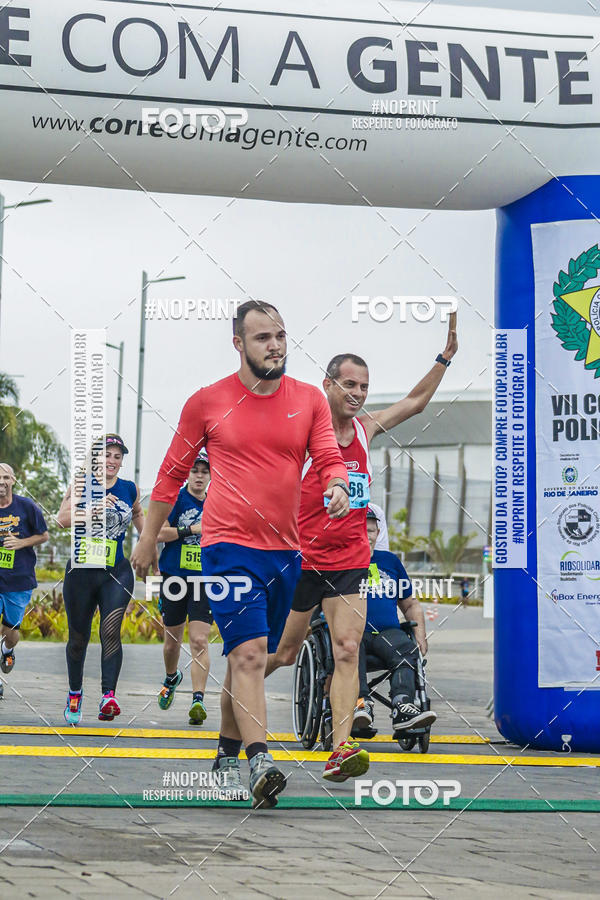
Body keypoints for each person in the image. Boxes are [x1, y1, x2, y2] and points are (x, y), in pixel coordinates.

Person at [131, 300, 350, 809]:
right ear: (238, 344)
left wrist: (337, 484)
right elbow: (170, 474)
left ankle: (227, 753)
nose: (275, 345)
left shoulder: (309, 400)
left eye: (280, 335)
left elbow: (328, 456)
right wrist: (147, 539)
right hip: (227, 547)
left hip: (286, 551)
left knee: (251, 656)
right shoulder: (208, 402)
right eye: (262, 337)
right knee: (248, 653)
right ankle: (261, 761)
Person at [266, 315, 456, 779]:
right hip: (303, 561)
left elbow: (414, 403)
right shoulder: (303, 437)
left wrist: (444, 359)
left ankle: (341, 749)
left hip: (350, 561)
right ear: (328, 385)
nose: (357, 393)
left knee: (347, 649)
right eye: (349, 384)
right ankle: (240, 681)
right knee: (285, 653)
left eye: (364, 386)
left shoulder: (366, 431)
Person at [56, 434, 144, 724]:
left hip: (115, 572)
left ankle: (109, 696)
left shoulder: (129, 488)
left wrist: (148, 544)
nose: (112, 461)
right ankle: (75, 693)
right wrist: (95, 508)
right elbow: (62, 519)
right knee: (78, 638)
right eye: (107, 455)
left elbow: (138, 514)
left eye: (117, 456)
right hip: (80, 573)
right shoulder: (81, 484)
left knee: (110, 631)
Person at [355, 507, 436, 734]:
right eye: (362, 529)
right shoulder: (342, 560)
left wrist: (421, 636)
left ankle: (403, 705)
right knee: (349, 648)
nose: (368, 535)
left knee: (406, 648)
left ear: (378, 533)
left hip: (386, 633)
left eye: (372, 530)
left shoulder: (390, 561)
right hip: (354, 631)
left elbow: (410, 604)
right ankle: (361, 703)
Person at [156, 449, 212, 725]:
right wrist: (190, 530)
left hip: (204, 579)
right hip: (174, 577)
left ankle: (198, 700)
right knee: (172, 643)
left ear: (211, 476)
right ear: (187, 474)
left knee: (199, 640)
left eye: (204, 471)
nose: (199, 476)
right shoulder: (176, 498)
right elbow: (158, 532)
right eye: (194, 471)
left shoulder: (217, 502)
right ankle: (171, 678)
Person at [0, 463, 49, 681]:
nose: (1, 482)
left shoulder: (27, 506)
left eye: (6, 477)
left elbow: (44, 535)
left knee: (10, 633)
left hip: (18, 580)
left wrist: (21, 543)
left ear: (13, 480)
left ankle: (7, 651)